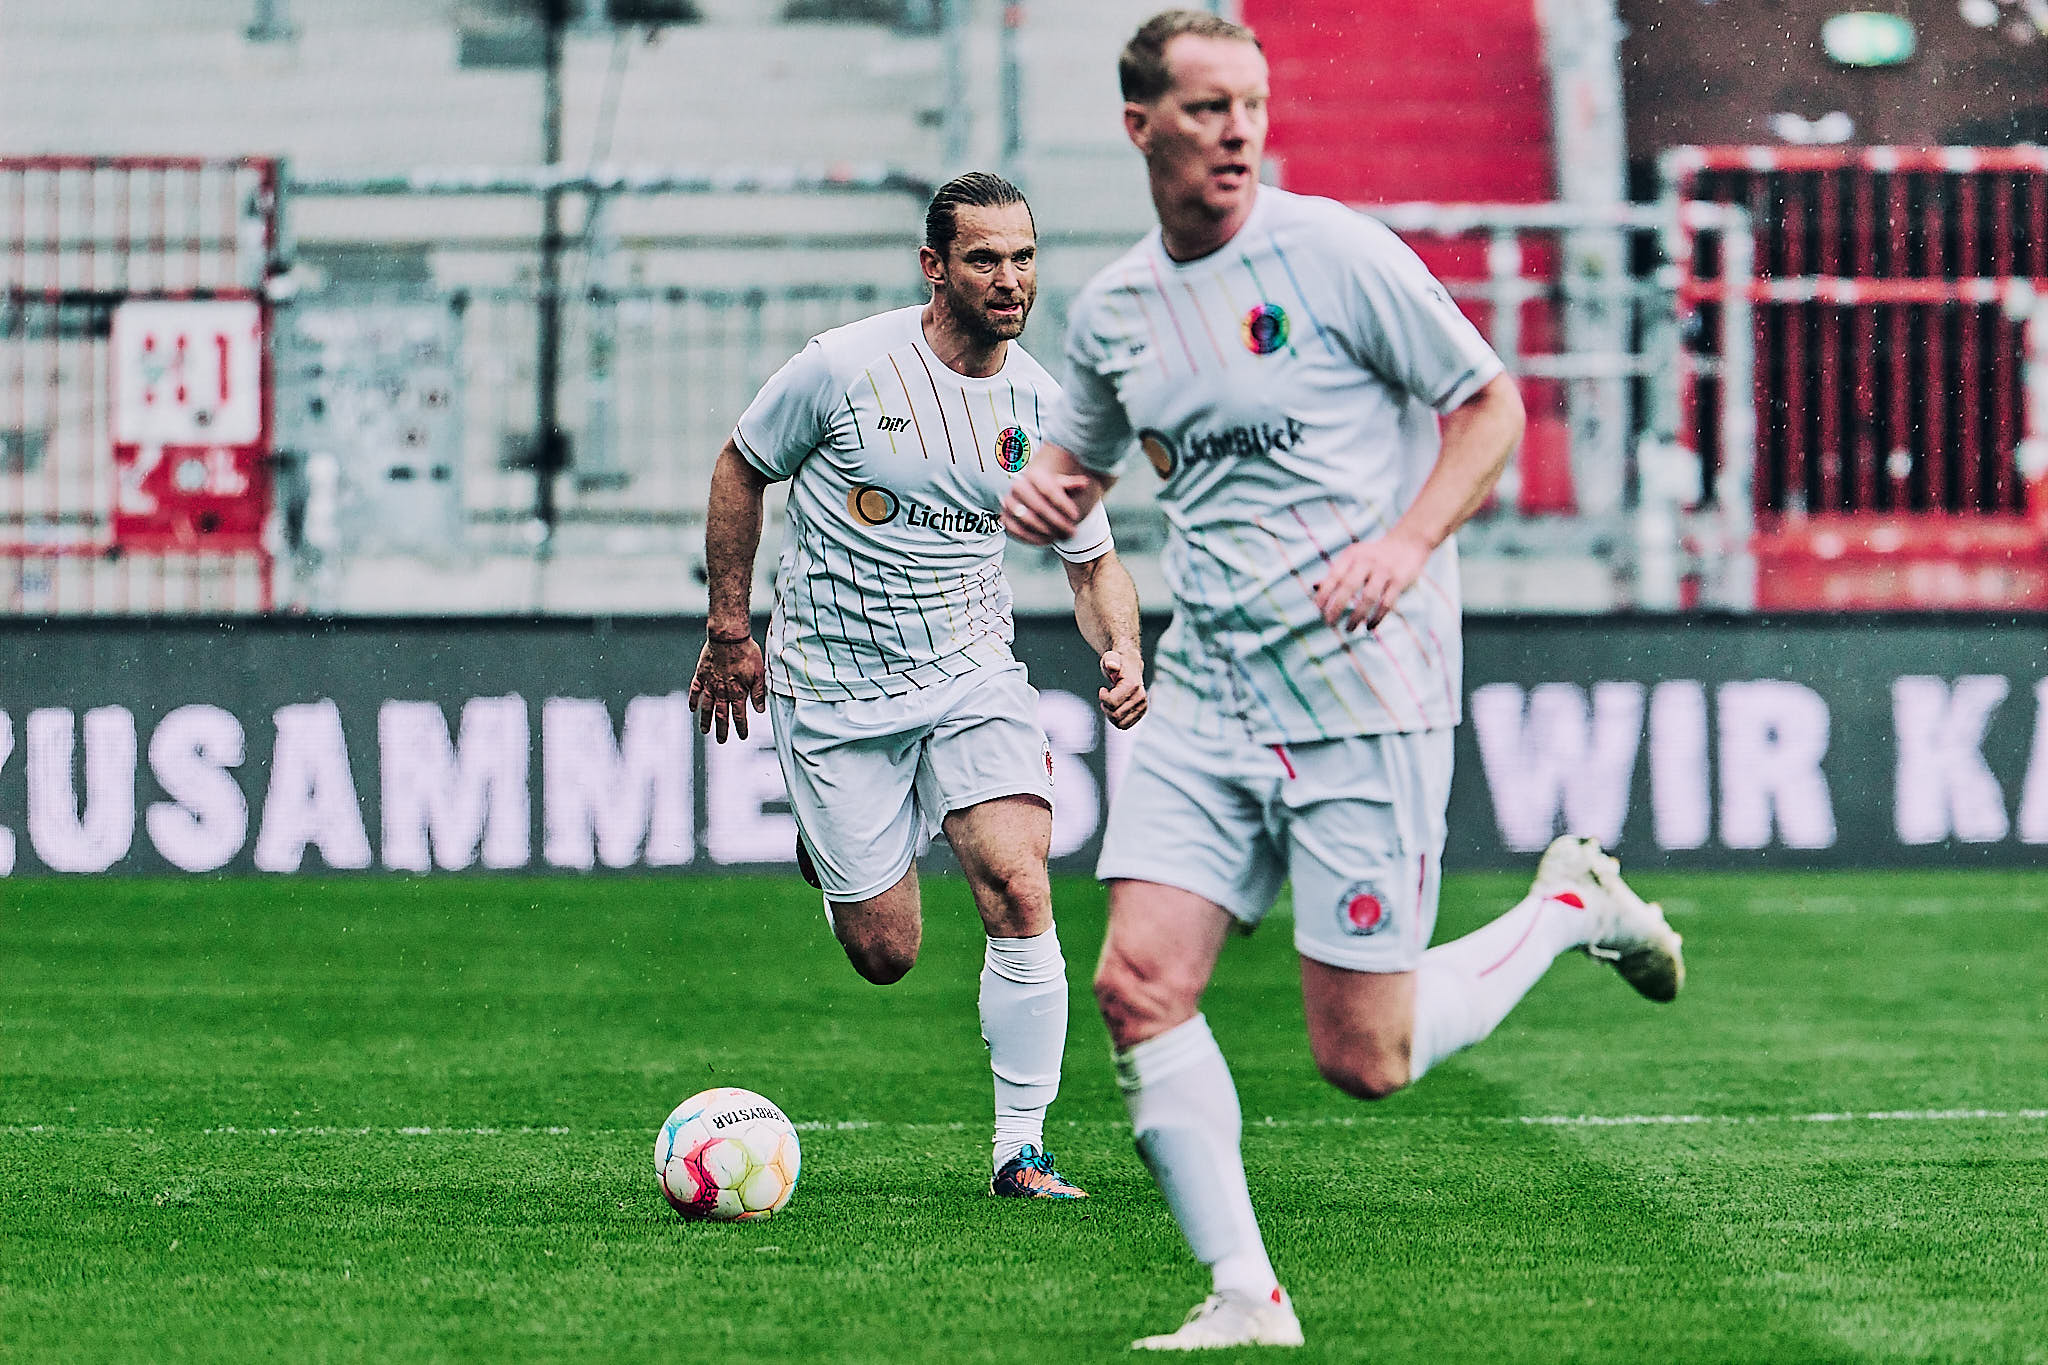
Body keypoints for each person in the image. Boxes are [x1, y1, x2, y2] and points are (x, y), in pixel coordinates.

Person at [1001, 11, 1685, 1349]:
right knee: (1137, 985)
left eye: (1252, 104)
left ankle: (1565, 906)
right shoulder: (1120, 308)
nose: (1239, 131)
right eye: (1207, 108)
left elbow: (1488, 406)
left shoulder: (1334, 256)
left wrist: (1405, 543)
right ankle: (1245, 1297)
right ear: (1139, 126)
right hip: (1209, 693)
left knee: (1362, 1057)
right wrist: (1048, 493)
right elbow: (1079, 460)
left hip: (1364, 688)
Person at [690, 171, 1148, 1201]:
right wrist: (729, 627)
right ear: (934, 266)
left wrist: (1118, 646)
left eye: (1023, 257)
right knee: (886, 953)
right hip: (834, 684)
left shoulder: (1047, 410)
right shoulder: (842, 368)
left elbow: (1091, 564)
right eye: (984, 259)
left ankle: (1021, 1148)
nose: (1009, 279)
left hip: (971, 673)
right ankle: (834, 855)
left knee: (1019, 884)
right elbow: (740, 466)